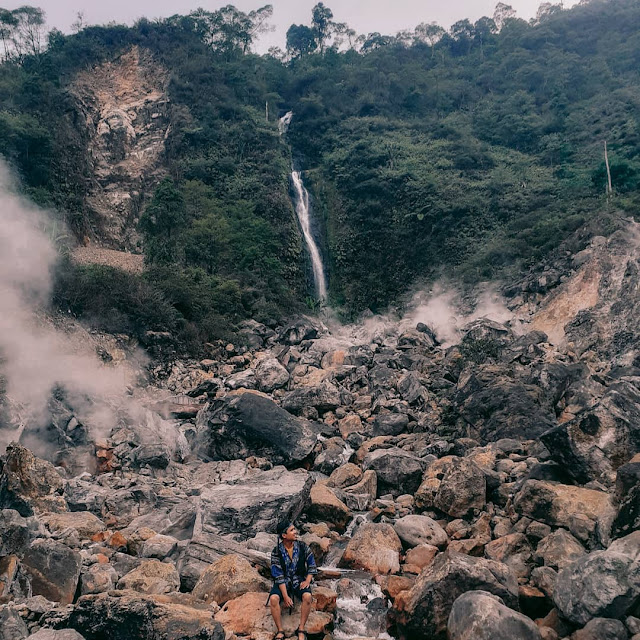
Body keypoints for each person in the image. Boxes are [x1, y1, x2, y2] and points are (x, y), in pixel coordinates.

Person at [268, 520, 317, 640]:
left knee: (307, 596)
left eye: (294, 529)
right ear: (284, 535)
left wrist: (307, 580)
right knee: (274, 599)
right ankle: (280, 630)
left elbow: (312, 565)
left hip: (298, 580)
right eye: (292, 530)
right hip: (283, 583)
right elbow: (278, 575)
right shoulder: (276, 551)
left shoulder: (302, 546)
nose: (295, 532)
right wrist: (285, 596)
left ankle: (301, 628)